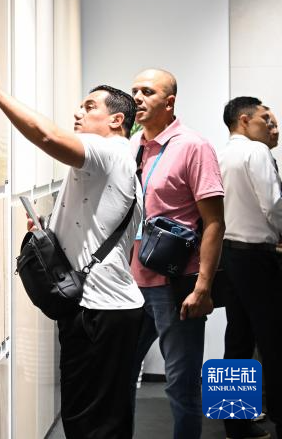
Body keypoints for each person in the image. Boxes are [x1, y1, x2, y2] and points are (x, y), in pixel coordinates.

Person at [0, 46, 143, 439]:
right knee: (103, 421)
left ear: (117, 120)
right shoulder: (118, 161)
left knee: (90, 425)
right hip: (107, 310)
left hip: (98, 311)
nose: (78, 113)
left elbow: (47, 135)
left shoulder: (108, 150)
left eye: (89, 107)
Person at [129, 68, 225, 439]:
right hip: (132, 282)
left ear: (169, 102)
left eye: (147, 91)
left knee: (181, 385)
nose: (137, 97)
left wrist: (203, 288)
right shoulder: (134, 146)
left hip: (176, 284)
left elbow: (214, 222)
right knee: (120, 374)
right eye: (134, 91)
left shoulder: (193, 146)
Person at [218, 97, 282, 439]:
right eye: (265, 119)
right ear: (244, 120)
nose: (272, 127)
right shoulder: (256, 151)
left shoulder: (222, 153)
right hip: (258, 255)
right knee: (274, 341)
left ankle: (235, 424)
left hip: (230, 254)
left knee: (237, 340)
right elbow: (273, 205)